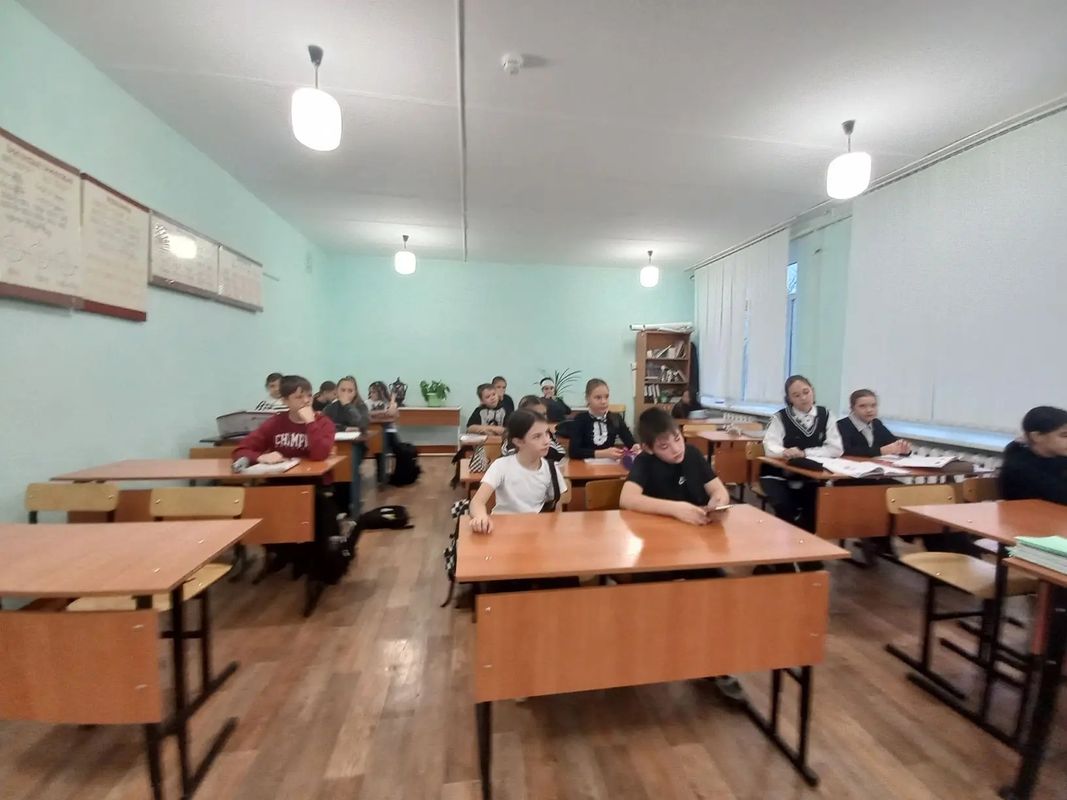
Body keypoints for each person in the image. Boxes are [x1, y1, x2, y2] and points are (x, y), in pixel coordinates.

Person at [619, 407, 745, 704]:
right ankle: (645, 658)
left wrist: (718, 502)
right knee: (648, 603)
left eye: (677, 439)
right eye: (664, 446)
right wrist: (675, 509)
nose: (675, 449)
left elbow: (719, 491)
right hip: (656, 553)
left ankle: (717, 665)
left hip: (696, 550)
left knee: (720, 594)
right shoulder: (645, 463)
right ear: (649, 448)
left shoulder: (693, 455)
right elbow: (627, 498)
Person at [233, 375, 336, 573]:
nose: (306, 401)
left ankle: (307, 557)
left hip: (312, 483)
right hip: (279, 482)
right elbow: (241, 450)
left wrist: (310, 422)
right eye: (299, 397)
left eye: (308, 395)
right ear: (285, 401)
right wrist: (260, 457)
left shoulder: (323, 423)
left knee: (314, 507)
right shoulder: (275, 423)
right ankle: (282, 552)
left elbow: (320, 454)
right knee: (259, 502)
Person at [760, 375, 843, 532]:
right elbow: (769, 448)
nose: (803, 398)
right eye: (796, 395)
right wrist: (785, 452)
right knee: (785, 506)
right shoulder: (780, 417)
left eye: (806, 392)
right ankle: (788, 538)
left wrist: (805, 453)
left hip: (813, 475)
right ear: (789, 399)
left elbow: (836, 449)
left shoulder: (826, 415)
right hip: (778, 474)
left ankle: (807, 542)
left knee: (816, 506)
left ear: (813, 391)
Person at [469, 410, 569, 531]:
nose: (547, 441)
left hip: (535, 530)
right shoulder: (501, 466)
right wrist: (480, 516)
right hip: (503, 529)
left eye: (547, 433)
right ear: (518, 441)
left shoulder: (551, 468)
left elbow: (556, 506)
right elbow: (477, 502)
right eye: (537, 436)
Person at [324, 377, 371, 518]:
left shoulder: (361, 406)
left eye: (350, 390)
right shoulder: (330, 408)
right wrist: (344, 428)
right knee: (337, 469)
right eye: (342, 390)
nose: (346, 393)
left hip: (357, 446)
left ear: (355, 392)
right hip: (334, 445)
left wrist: (347, 405)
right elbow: (325, 425)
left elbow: (361, 424)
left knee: (348, 466)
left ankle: (353, 506)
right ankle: (339, 505)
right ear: (336, 391)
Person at [1000, 406, 1067, 504]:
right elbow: (1061, 496)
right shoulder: (1019, 467)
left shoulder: (1059, 458)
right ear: (1037, 436)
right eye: (1064, 435)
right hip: (1028, 512)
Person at [568, 378, 640, 460]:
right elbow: (573, 452)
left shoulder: (615, 418)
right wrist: (603, 453)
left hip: (609, 464)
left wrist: (635, 446)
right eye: (598, 397)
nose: (604, 401)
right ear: (588, 398)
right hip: (585, 465)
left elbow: (630, 442)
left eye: (606, 397)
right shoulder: (580, 419)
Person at [837, 389, 911, 457]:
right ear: (852, 408)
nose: (869, 410)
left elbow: (893, 443)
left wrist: (904, 449)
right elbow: (846, 451)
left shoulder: (876, 423)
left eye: (873, 405)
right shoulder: (841, 425)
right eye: (862, 406)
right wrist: (881, 451)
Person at [501, 395, 566, 461]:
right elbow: (513, 457)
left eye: (544, 414)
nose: (542, 418)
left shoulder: (548, 433)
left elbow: (561, 453)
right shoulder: (515, 436)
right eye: (537, 414)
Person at [368, 380, 399, 486]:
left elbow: (394, 414)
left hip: (390, 431)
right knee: (380, 448)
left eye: (374, 392)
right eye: (370, 392)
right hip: (375, 431)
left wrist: (392, 401)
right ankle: (382, 478)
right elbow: (367, 415)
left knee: (397, 449)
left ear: (381, 392)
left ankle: (392, 476)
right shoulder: (367, 403)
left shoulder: (388, 402)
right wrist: (383, 412)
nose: (371, 394)